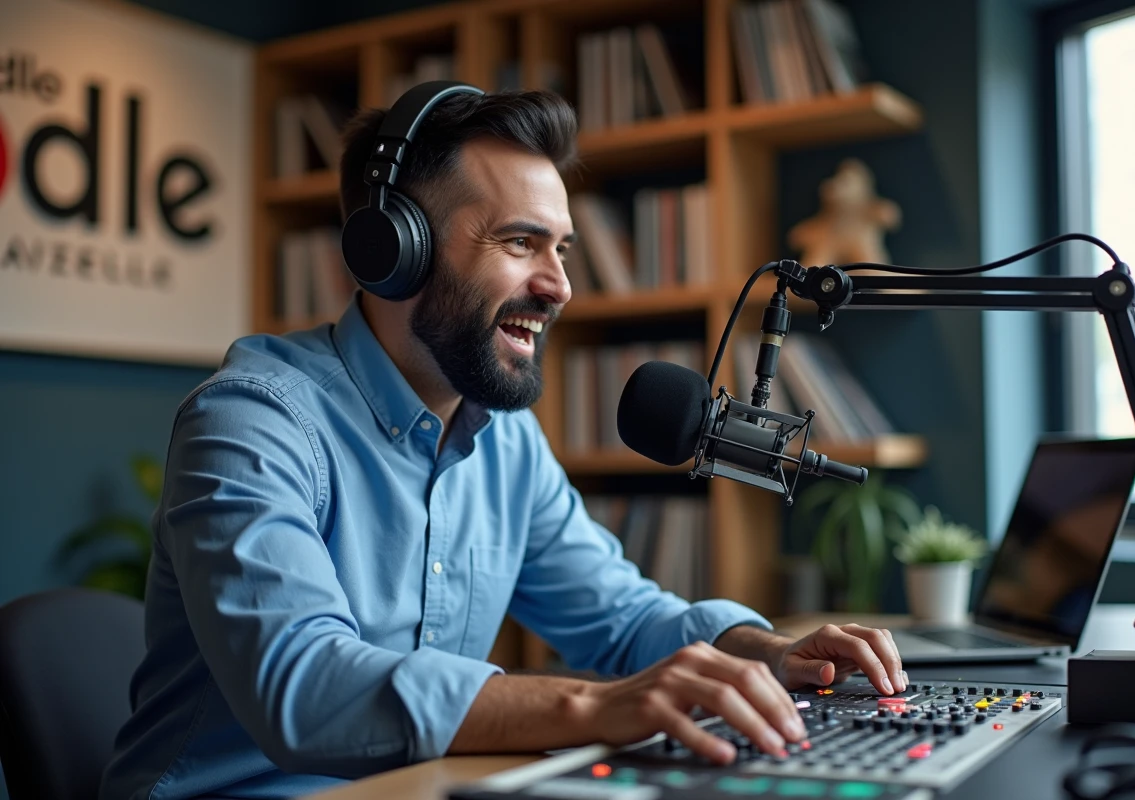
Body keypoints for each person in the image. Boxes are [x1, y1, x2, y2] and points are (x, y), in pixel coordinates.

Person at [99, 87, 907, 800]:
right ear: (393, 251)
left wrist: (761, 652)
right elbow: (303, 688)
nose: (558, 286)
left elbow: (622, 619)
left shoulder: (506, 444)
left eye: (561, 249)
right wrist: (594, 708)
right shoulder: (252, 419)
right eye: (521, 243)